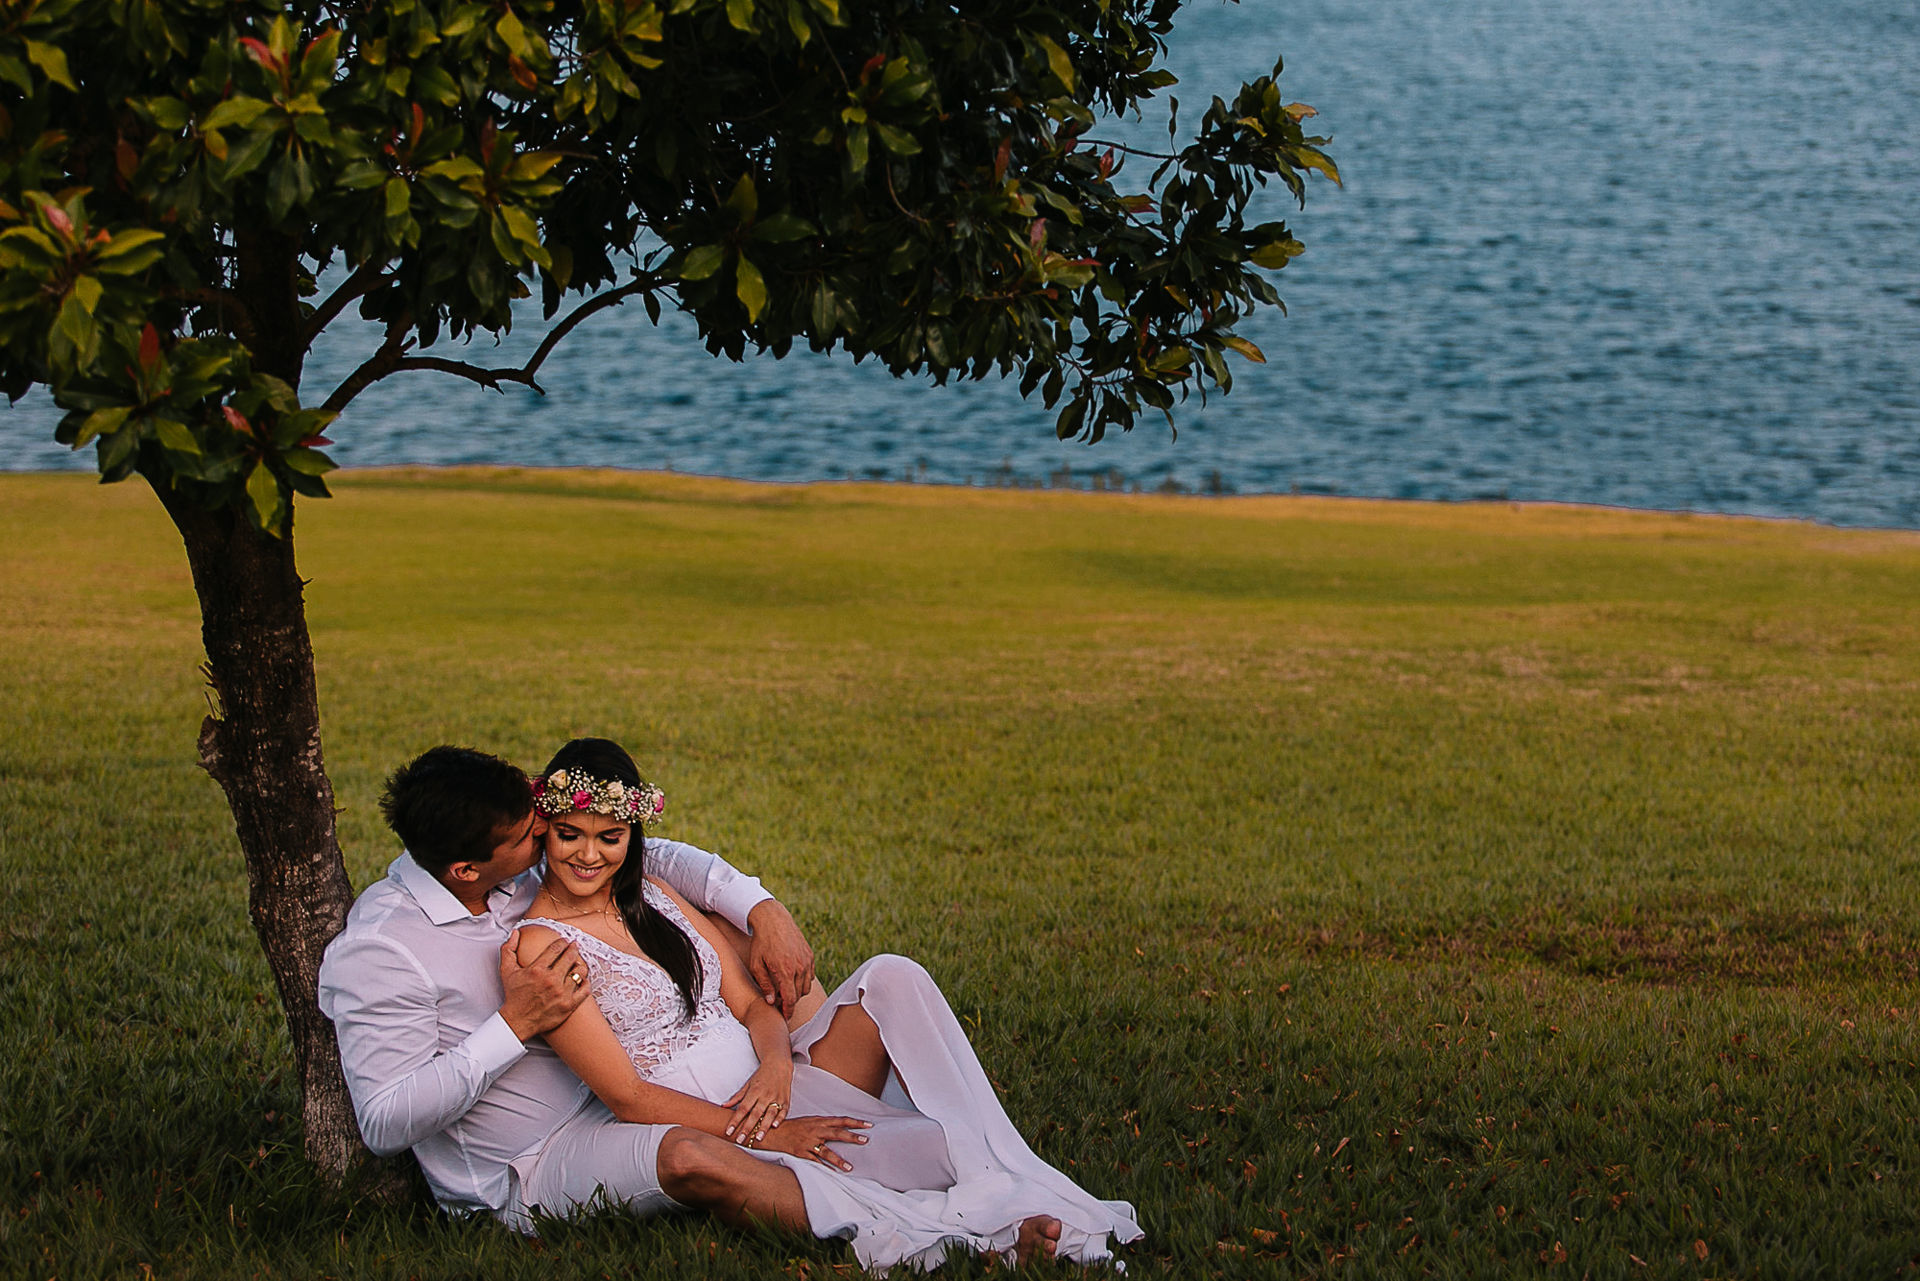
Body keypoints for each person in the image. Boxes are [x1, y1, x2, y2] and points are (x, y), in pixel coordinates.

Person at [515, 737, 1142, 1271]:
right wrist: (776, 1133)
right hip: (708, 1122)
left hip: (776, 1088)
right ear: (546, 828)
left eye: (610, 836)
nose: (588, 855)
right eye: (570, 835)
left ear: (634, 833)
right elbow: (628, 1097)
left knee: (940, 1147)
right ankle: (970, 1245)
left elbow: (753, 1007)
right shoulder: (539, 946)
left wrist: (779, 1067)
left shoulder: (655, 896)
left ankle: (1019, 1204)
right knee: (838, 1178)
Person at [316, 745, 823, 1233]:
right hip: (530, 1161)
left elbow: (646, 852)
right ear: (466, 870)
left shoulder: (510, 863)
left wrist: (763, 909)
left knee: (725, 926)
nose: (542, 830)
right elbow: (383, 1124)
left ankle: (816, 1100)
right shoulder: (382, 949)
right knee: (688, 1155)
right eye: (530, 834)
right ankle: (841, 1211)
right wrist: (514, 1024)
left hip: (610, 1096)